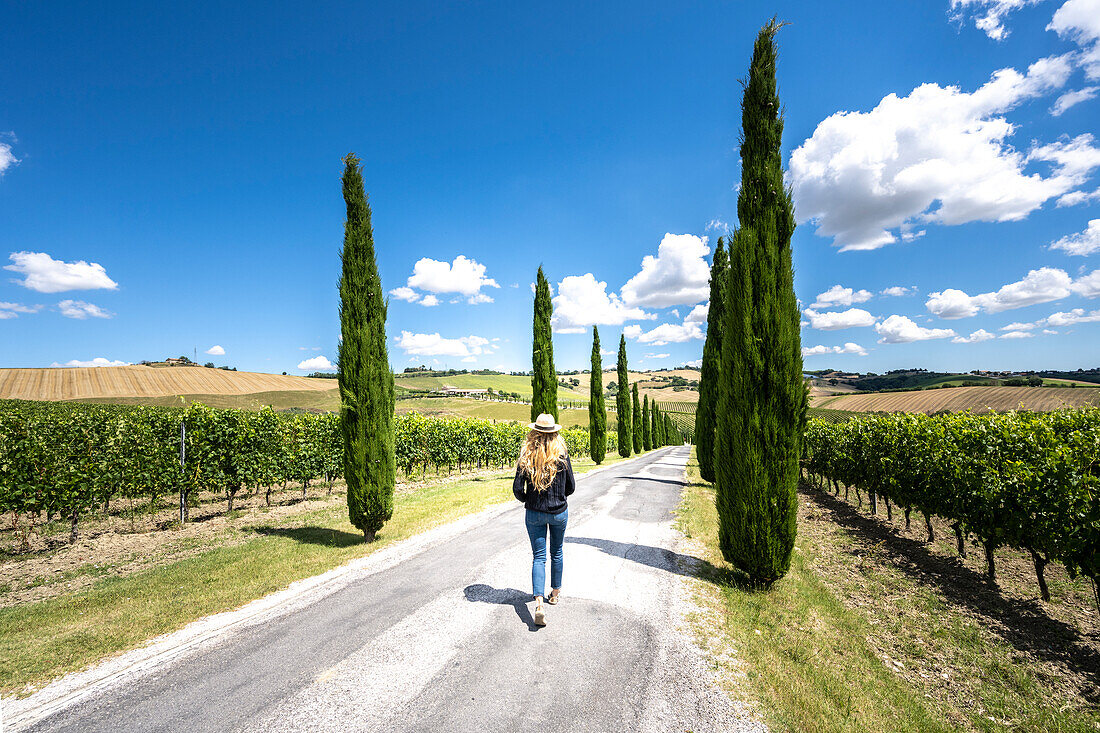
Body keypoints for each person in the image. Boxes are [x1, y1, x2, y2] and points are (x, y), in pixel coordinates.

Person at [512, 413, 575, 627]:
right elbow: (571, 487)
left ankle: (539, 604)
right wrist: (558, 497)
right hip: (559, 512)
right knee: (557, 552)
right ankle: (555, 594)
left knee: (539, 557)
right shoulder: (562, 455)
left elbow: (517, 489)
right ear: (554, 433)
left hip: (535, 513)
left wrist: (529, 499)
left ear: (534, 432)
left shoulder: (527, 455)